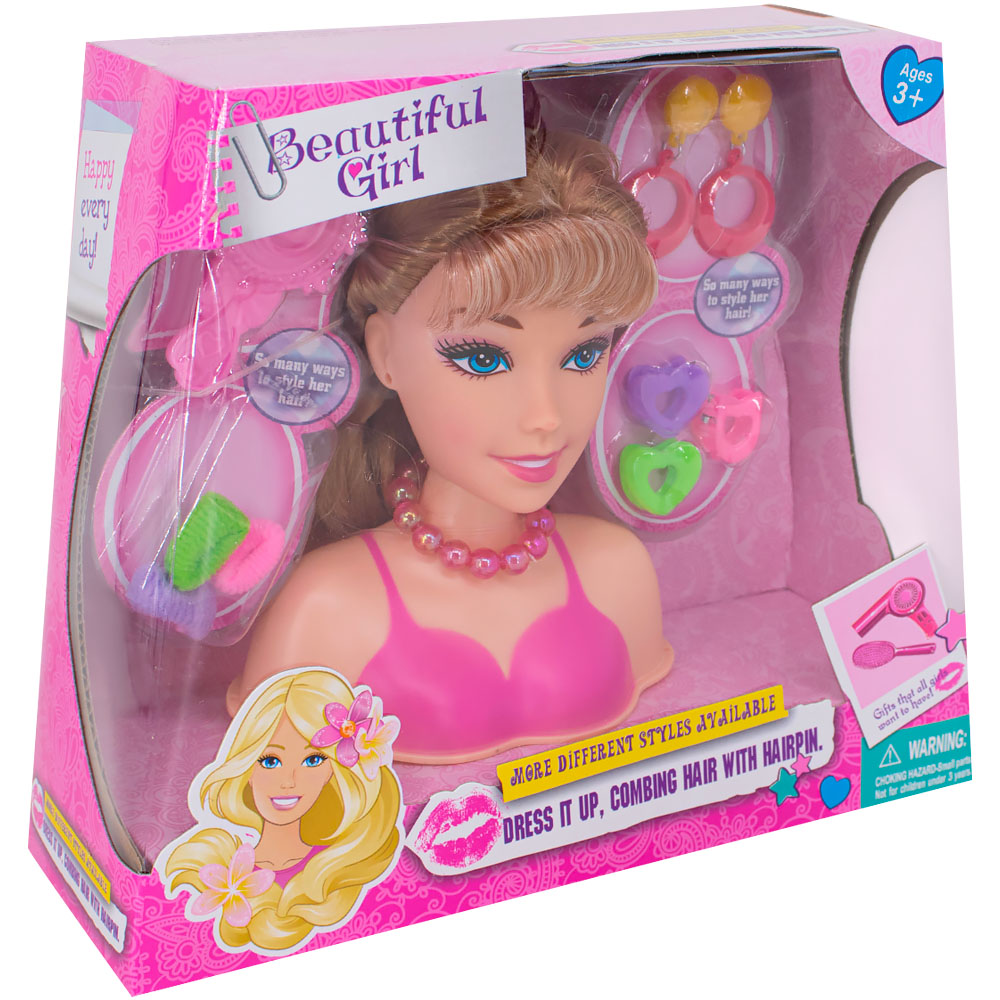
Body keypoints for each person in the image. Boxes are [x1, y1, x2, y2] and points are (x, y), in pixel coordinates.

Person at [227, 124, 673, 763]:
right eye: (484, 359)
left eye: (583, 354)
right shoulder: (324, 607)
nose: (545, 416)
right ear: (385, 353)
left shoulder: (616, 571)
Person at [161, 668, 402, 952]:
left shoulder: (334, 870)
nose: (288, 781)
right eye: (270, 761)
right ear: (247, 767)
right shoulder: (210, 862)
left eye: (312, 761)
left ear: (332, 772)